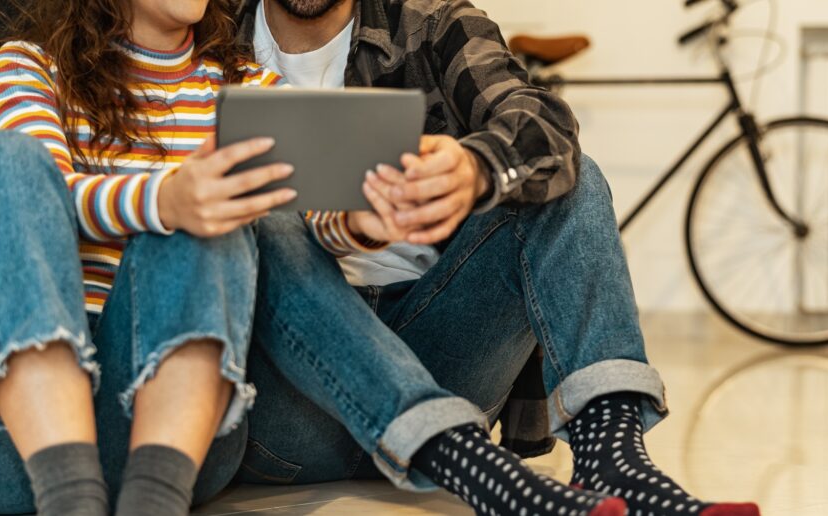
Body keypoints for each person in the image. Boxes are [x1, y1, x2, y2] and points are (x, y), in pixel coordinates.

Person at [235, 1, 761, 515]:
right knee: (261, 213)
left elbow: (544, 122)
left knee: (570, 180)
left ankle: (613, 458)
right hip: (288, 410)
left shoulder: (432, 22)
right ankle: (473, 465)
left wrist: (478, 168)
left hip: (442, 359)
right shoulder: (205, 35)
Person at [0, 0, 392, 514]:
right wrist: (167, 199)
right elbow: (38, 200)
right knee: (9, 159)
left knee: (219, 205)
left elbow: (309, 219)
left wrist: (363, 219)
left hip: (177, 432)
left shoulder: (249, 89)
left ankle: (154, 497)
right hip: (15, 437)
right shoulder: (27, 66)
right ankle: (70, 493)